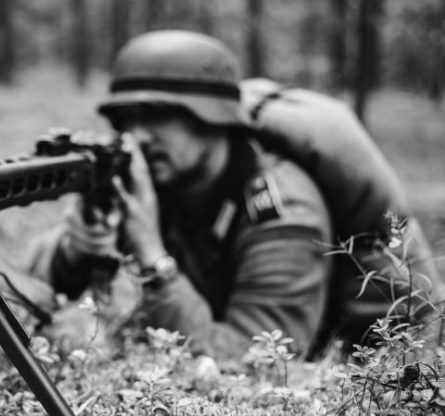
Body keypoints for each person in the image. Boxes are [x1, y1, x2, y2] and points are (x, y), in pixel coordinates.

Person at [28, 30, 441, 359]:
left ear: (213, 118)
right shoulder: (162, 176)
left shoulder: (284, 210)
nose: (138, 136)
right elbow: (31, 284)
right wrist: (77, 249)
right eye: (126, 120)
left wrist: (153, 257)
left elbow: (248, 358)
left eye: (157, 116)